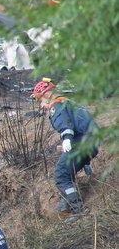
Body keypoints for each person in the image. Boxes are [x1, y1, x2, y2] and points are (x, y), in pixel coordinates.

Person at [31, 77, 100, 214]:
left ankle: (77, 209)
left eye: (40, 101)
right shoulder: (70, 102)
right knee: (68, 171)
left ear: (47, 95)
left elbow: (65, 125)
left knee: (61, 175)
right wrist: (85, 159)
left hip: (81, 143)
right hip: (92, 142)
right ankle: (67, 201)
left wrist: (67, 139)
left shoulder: (56, 106)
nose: (41, 105)